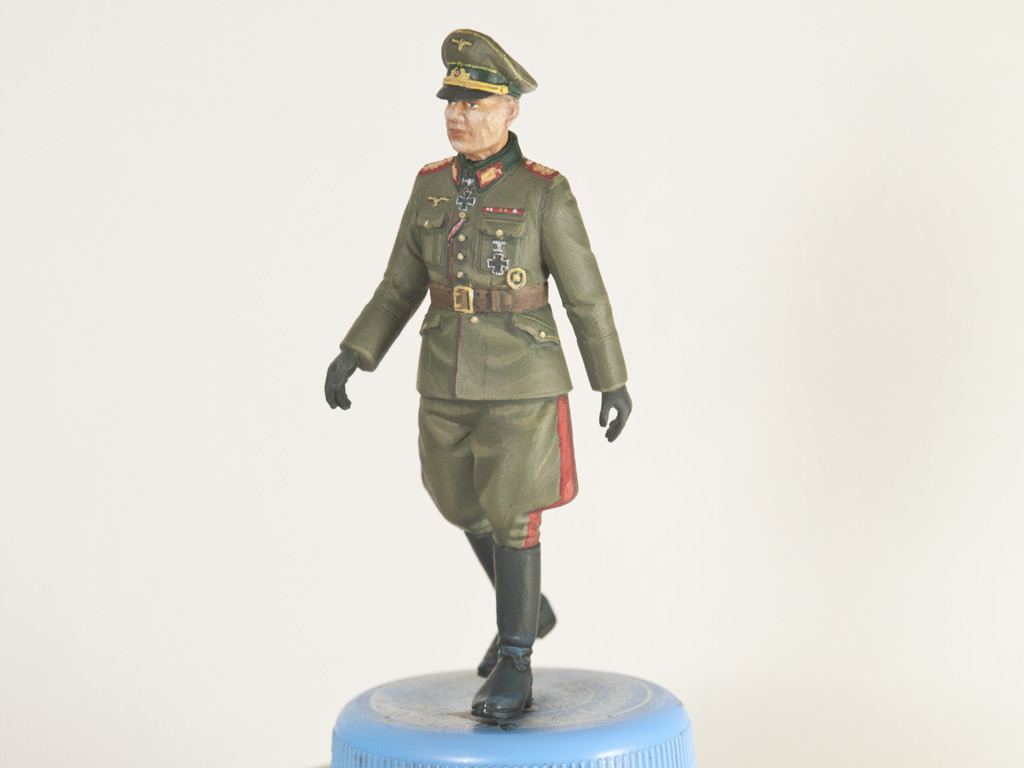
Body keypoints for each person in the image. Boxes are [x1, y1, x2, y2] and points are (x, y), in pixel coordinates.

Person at [324, 29, 632, 720]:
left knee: (514, 513)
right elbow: (399, 284)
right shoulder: (430, 186)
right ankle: (531, 607)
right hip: (446, 372)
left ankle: (517, 659)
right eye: (452, 102)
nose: (458, 115)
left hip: (523, 378)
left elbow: (585, 293)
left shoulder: (544, 192)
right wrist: (357, 351)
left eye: (475, 103)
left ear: (510, 110)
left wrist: (609, 379)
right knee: (456, 500)